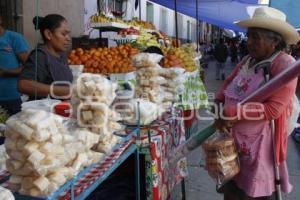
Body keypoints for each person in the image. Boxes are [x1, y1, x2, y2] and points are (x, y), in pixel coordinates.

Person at [213, 7, 299, 200]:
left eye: (256, 38)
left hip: (260, 145)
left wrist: (232, 112)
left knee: (251, 193)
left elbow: (273, 109)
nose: (249, 42)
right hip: (233, 139)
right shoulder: (247, 59)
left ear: (274, 41)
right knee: (231, 188)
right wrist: (218, 104)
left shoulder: (285, 65)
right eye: (249, 36)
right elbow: (228, 83)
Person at [18, 14, 73, 100]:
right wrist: (64, 91)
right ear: (48, 34)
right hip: (45, 111)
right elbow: (23, 85)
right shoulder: (40, 56)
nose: (68, 38)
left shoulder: (61, 54)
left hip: (61, 109)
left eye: (68, 34)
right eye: (63, 34)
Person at [0, 15, 29, 115]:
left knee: (13, 128)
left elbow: (29, 67)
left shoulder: (14, 38)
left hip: (11, 97)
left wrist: (6, 72)